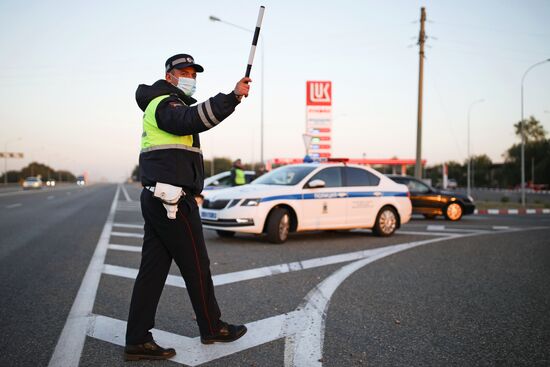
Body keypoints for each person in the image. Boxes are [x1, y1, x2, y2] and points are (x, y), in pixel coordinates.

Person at [124, 53, 251, 361]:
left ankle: (138, 339)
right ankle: (212, 327)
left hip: (161, 198)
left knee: (152, 271)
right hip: (171, 201)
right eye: (185, 72)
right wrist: (232, 97)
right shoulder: (163, 103)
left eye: (194, 73)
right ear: (170, 75)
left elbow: (186, 133)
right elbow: (192, 118)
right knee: (196, 264)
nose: (191, 77)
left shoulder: (169, 103)